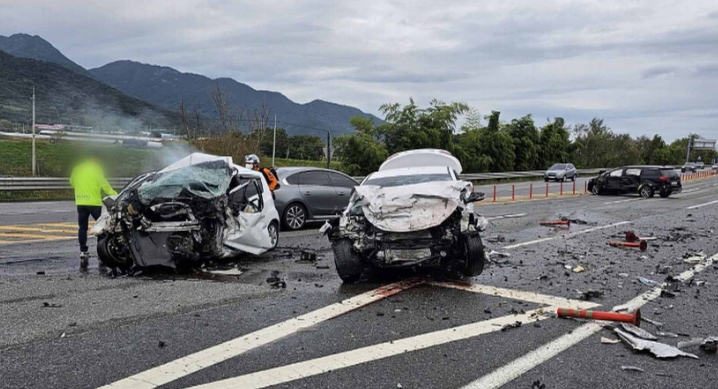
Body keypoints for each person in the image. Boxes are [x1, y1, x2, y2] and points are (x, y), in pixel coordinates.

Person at [70, 155, 117, 271]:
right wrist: (114, 194)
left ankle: (83, 251)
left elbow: (72, 182)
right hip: (94, 203)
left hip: (80, 201)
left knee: (82, 228)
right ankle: (101, 253)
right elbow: (103, 184)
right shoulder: (96, 169)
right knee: (101, 228)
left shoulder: (77, 169)